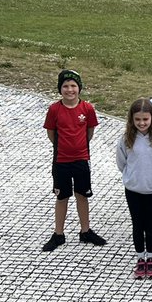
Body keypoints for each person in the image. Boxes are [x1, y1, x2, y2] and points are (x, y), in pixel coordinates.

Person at [42, 69, 106, 251]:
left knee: (82, 195)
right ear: (60, 89)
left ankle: (85, 231)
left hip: (81, 160)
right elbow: (51, 133)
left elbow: (89, 132)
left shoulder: (87, 108)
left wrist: (79, 147)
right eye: (65, 86)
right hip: (61, 161)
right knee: (61, 196)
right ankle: (58, 234)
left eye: (73, 86)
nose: (70, 90)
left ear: (79, 88)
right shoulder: (54, 109)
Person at [115, 99, 152, 279]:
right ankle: (140, 258)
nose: (141, 123)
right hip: (133, 190)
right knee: (137, 225)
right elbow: (122, 162)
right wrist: (132, 176)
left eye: (145, 119)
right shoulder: (126, 139)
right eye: (137, 119)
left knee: (150, 226)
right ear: (132, 119)